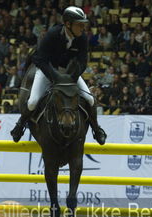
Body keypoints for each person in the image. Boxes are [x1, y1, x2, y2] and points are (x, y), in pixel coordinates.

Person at [10, 6, 107, 145]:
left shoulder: (82, 38)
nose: (82, 27)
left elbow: (82, 62)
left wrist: (71, 77)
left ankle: (96, 129)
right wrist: (54, 76)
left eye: (83, 24)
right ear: (68, 24)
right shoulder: (52, 34)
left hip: (68, 74)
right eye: (79, 24)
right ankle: (20, 125)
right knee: (32, 101)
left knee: (90, 99)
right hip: (47, 69)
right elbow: (40, 59)